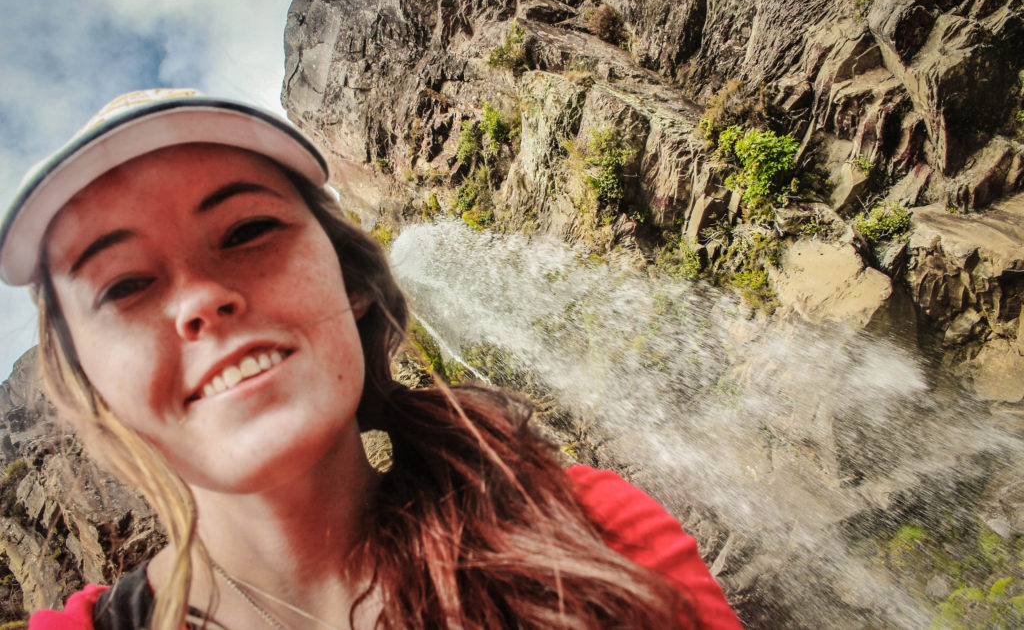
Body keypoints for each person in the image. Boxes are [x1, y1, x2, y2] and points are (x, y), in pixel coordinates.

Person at [0, 89, 742, 630]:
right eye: (125, 284)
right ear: (88, 384)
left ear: (352, 283)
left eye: (248, 229)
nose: (201, 299)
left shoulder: (592, 538)